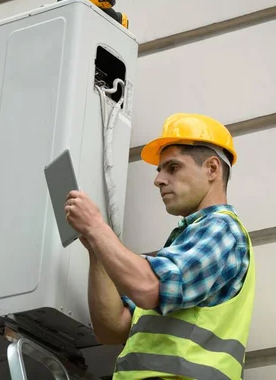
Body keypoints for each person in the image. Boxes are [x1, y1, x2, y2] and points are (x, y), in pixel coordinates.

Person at [65, 113, 255, 380]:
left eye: (173, 167)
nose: (159, 180)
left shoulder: (221, 230)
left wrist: (98, 227)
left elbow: (149, 287)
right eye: (159, 171)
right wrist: (97, 249)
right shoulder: (185, 244)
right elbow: (112, 328)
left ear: (212, 169)